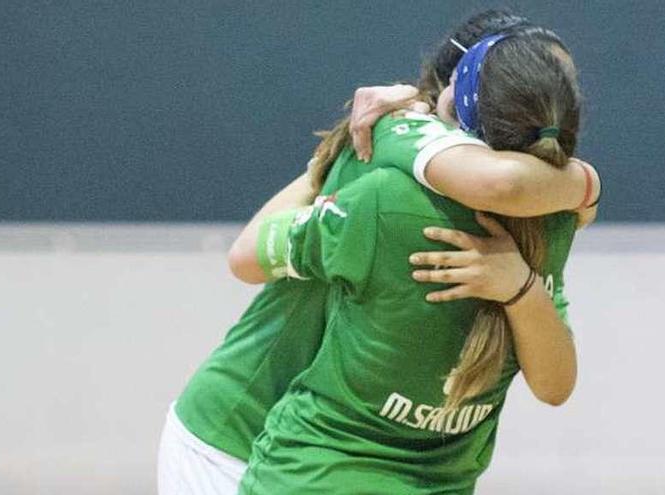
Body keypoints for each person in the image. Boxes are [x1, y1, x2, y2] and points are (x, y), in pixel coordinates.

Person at [158, 10, 598, 495]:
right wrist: (588, 186)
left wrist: (526, 280)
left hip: (373, 462)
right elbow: (246, 256)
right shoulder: (392, 168)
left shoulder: (546, 207)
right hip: (245, 434)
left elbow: (555, 382)